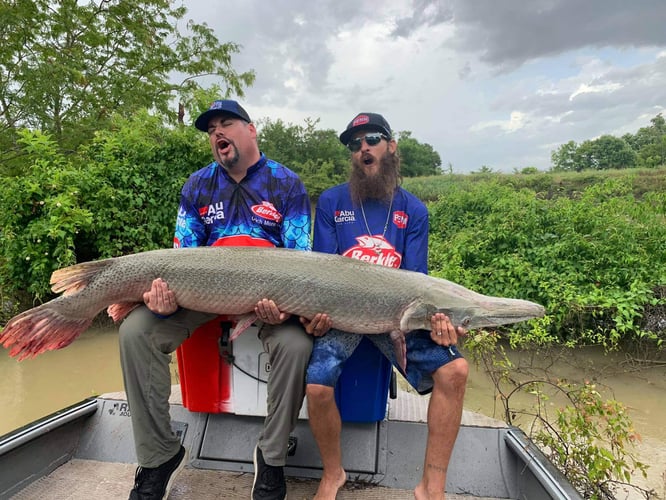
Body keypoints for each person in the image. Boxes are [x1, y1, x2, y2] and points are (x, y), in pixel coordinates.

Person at [118, 99, 313, 500]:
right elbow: (181, 254)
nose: (218, 133)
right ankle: (160, 456)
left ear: (251, 129)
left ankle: (271, 458)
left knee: (296, 344)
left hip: (269, 299)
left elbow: (301, 261)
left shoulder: (286, 183)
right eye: (211, 130)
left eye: (226, 123)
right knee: (135, 331)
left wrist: (283, 307)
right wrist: (162, 299)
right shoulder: (197, 185)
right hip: (201, 295)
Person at [302, 112, 469, 500]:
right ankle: (333, 473)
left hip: (395, 317)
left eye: (372, 139)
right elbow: (320, 271)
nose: (364, 148)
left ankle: (432, 486)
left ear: (391, 146)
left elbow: (417, 282)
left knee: (456, 371)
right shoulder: (331, 201)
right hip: (342, 316)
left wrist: (440, 321)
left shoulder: (414, 210)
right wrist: (316, 316)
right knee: (317, 386)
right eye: (355, 143)